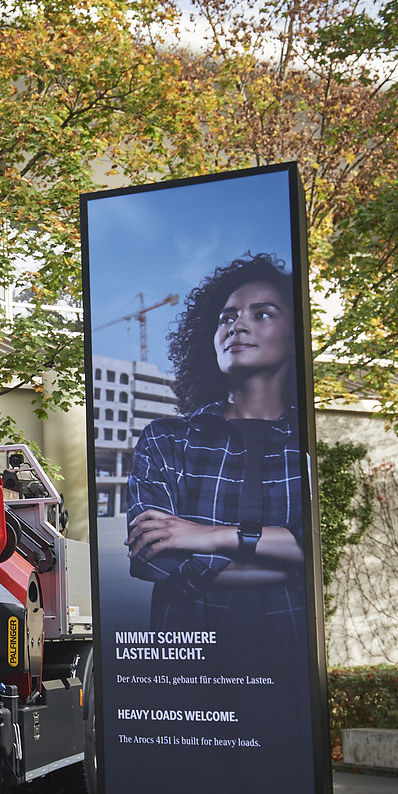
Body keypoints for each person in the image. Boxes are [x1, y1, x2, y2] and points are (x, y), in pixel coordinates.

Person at [123, 253, 308, 642]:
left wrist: (207, 536)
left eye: (262, 314)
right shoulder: (166, 439)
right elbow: (152, 558)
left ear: (295, 337)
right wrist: (286, 561)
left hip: (289, 662)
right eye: (227, 317)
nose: (237, 324)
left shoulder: (305, 441)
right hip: (190, 665)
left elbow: (320, 544)